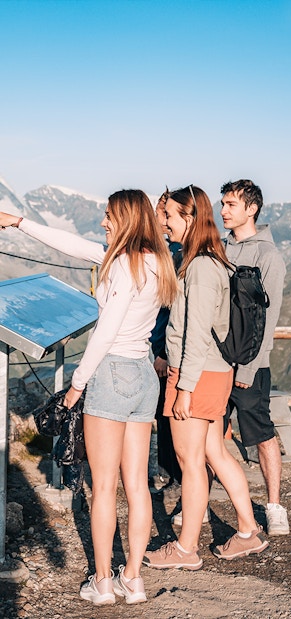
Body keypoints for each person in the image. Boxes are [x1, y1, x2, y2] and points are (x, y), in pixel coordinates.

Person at [0, 190, 178, 605]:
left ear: (126, 220)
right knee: (137, 485)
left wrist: (77, 383)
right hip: (142, 376)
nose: (103, 222)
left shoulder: (120, 266)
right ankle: (132, 579)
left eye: (109, 216)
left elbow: (106, 330)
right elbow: (78, 247)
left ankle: (101, 581)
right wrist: (19, 222)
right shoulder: (157, 262)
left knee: (103, 487)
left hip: (111, 372)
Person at [143, 184, 269, 569]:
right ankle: (248, 531)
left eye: (169, 216)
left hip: (194, 374)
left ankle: (185, 548)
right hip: (214, 372)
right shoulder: (212, 260)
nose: (162, 222)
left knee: (190, 459)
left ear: (189, 218)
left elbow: (195, 333)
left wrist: (183, 389)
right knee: (214, 452)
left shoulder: (198, 267)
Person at [220, 179, 289, 536]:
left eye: (231, 204)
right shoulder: (219, 249)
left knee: (261, 434)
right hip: (217, 363)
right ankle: (197, 500)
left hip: (249, 365)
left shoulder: (268, 256)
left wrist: (248, 366)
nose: (224, 211)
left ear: (252, 208)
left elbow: (269, 316)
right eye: (223, 204)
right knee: (210, 433)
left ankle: (275, 506)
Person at [149, 189, 183, 491]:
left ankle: (173, 475)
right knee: (164, 412)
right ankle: (170, 473)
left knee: (167, 413)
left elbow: (169, 311)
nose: (160, 219)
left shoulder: (175, 254)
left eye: (163, 214)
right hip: (164, 347)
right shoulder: (169, 251)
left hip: (166, 350)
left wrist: (161, 352)